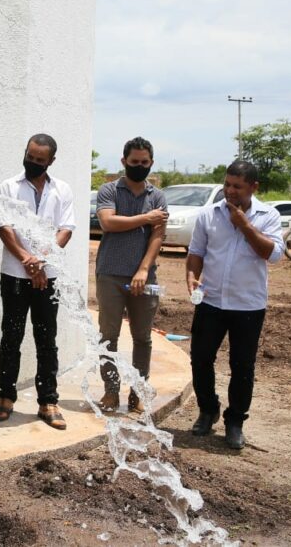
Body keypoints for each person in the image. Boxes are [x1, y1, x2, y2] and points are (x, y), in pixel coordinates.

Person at [186, 161, 283, 450]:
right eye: (227, 184)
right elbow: (196, 253)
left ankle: (235, 421)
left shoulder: (269, 215)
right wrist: (191, 276)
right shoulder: (208, 215)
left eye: (237, 186)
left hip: (248, 306)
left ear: (253, 187)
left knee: (242, 366)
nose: (230, 191)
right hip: (211, 300)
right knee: (201, 358)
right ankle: (207, 410)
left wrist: (244, 225)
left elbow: (273, 254)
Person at [0, 134, 75, 430]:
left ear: (50, 161)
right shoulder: (8, 187)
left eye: (40, 160)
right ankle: (6, 397)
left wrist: (41, 260)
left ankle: (48, 402)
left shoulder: (61, 189)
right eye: (30, 156)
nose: (33, 163)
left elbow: (66, 229)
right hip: (14, 274)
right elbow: (3, 227)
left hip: (47, 277)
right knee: (11, 337)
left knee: (46, 339)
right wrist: (27, 259)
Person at [94, 136, 168, 413]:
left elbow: (157, 237)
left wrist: (143, 269)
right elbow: (108, 222)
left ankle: (138, 391)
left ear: (151, 163)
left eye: (144, 162)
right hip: (110, 273)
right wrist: (146, 218)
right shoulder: (109, 190)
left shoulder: (157, 196)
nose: (139, 166)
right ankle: (111, 392)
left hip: (143, 277)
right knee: (108, 336)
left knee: (142, 337)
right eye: (134, 162)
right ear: (124, 161)